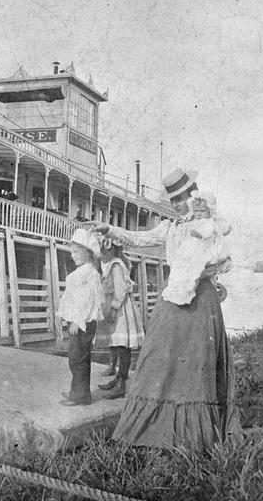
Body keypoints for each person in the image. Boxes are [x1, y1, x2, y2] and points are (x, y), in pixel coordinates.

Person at [92, 167, 240, 450]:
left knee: (197, 362)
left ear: (193, 195)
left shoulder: (210, 225)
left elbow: (224, 258)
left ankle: (194, 433)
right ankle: (153, 426)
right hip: (173, 298)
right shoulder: (171, 228)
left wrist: (207, 271)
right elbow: (139, 239)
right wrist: (110, 229)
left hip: (201, 298)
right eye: (172, 200)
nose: (177, 204)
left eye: (181, 198)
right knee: (157, 355)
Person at [56, 229, 104, 406]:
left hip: (83, 321)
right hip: (78, 320)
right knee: (76, 357)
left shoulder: (89, 272)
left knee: (78, 358)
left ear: (88, 252)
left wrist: (78, 320)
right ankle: (76, 391)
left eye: (76, 252)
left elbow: (89, 300)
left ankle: (81, 395)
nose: (72, 255)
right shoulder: (83, 271)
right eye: (72, 252)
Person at [97, 238, 144, 399]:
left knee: (123, 345)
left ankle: (121, 383)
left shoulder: (116, 265)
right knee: (117, 343)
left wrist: (113, 308)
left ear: (111, 251)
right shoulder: (112, 264)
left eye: (102, 252)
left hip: (120, 309)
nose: (100, 255)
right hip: (117, 306)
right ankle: (117, 378)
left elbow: (120, 290)